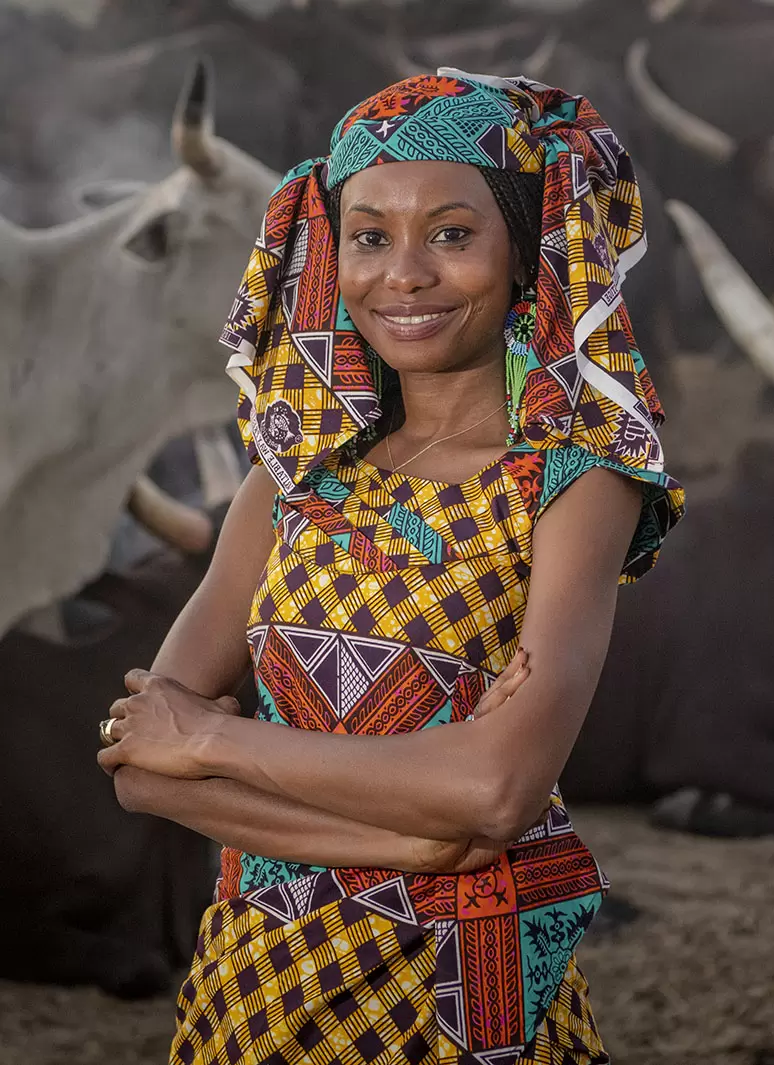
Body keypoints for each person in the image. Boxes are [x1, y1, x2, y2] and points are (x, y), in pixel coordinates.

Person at [97, 70, 684, 1064]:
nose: (401, 275)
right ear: (332, 254)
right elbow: (140, 774)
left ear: (526, 254)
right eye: (369, 236)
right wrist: (419, 839)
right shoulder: (286, 484)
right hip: (248, 1005)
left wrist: (214, 741)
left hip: (459, 1010)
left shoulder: (575, 486)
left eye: (452, 234)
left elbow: (498, 793)